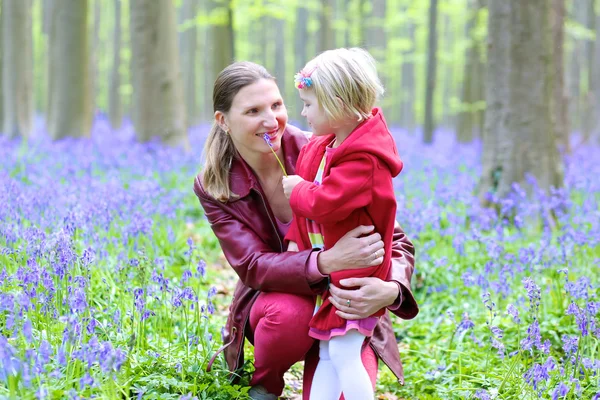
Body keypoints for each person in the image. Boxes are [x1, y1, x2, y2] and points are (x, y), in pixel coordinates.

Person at [193, 61, 418, 400]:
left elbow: (393, 237)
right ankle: (266, 386)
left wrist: (390, 289)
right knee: (288, 318)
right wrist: (324, 262)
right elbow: (253, 266)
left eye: (276, 105)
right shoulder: (216, 185)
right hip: (283, 298)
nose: (271, 120)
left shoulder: (325, 149)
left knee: (342, 381)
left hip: (348, 300)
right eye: (253, 111)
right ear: (223, 121)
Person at [282, 48, 402, 400]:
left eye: (308, 104)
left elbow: (326, 203)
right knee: (328, 353)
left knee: (345, 352)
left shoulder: (364, 158)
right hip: (339, 270)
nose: (302, 113)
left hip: (357, 276)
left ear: (335, 104)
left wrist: (297, 190)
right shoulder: (329, 145)